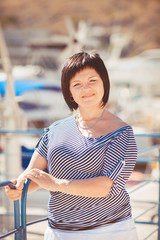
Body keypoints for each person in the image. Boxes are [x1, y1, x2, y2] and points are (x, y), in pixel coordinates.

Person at [5, 51, 139, 240]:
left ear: (104, 83)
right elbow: (32, 175)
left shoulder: (121, 132)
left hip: (109, 231)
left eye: (92, 81)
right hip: (58, 232)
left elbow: (107, 187)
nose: (86, 89)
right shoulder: (54, 130)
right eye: (77, 84)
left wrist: (57, 184)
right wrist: (18, 188)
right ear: (69, 91)